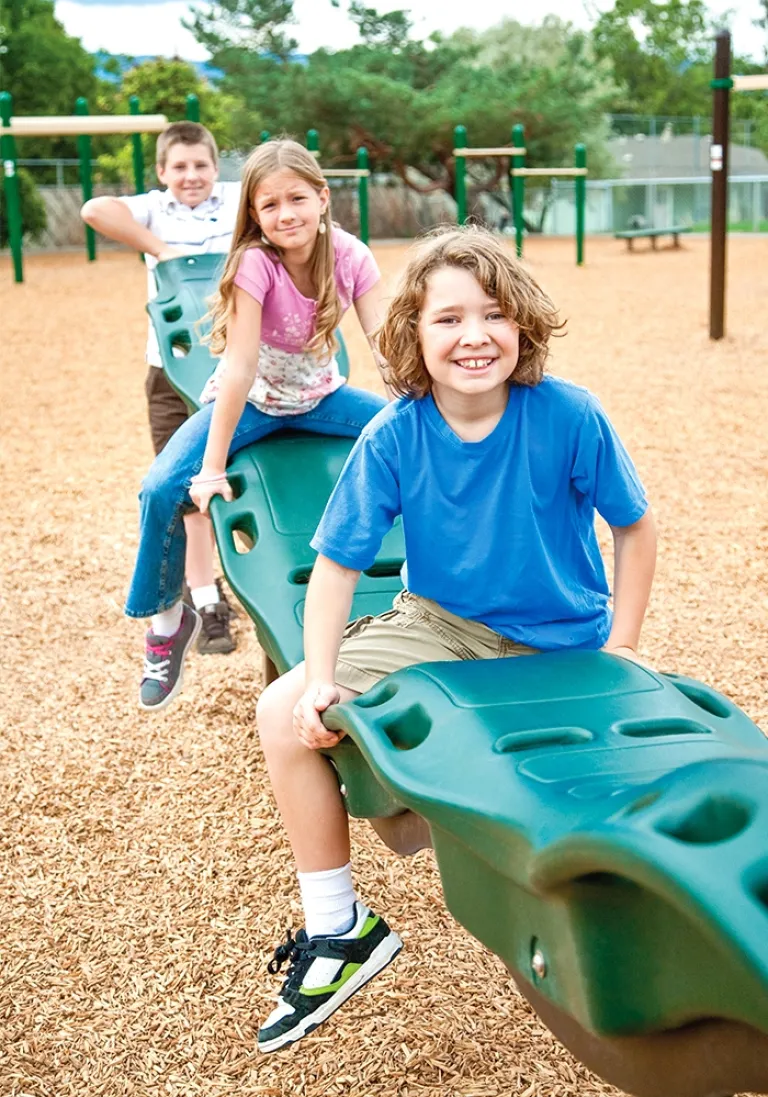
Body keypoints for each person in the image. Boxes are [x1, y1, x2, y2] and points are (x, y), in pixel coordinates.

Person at [254, 225, 657, 1053]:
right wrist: (322, 676)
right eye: (448, 319)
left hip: (563, 643)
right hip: (441, 626)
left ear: (523, 327)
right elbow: (334, 566)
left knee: (586, 796)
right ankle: (340, 930)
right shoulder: (397, 433)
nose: (474, 335)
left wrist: (622, 645)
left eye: (494, 314)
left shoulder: (569, 415)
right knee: (283, 709)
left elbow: (635, 527)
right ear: (411, 334)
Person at [122, 138, 389, 711]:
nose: (285, 214)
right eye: (269, 206)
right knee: (162, 485)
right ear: (254, 216)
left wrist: (420, 416)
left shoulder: (351, 256)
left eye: (297, 198)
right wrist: (212, 466)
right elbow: (239, 367)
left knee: (413, 432)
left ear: (322, 198)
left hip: (322, 398)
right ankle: (169, 621)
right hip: (253, 403)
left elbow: (386, 347)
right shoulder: (254, 263)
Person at [81, 121, 241, 657]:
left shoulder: (235, 202)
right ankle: (206, 598)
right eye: (179, 167)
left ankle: (261, 583)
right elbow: (94, 210)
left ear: (216, 168)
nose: (191, 176)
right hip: (172, 371)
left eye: (201, 165)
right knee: (183, 495)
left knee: (242, 480)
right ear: (161, 172)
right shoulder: (155, 209)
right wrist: (161, 250)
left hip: (234, 369)